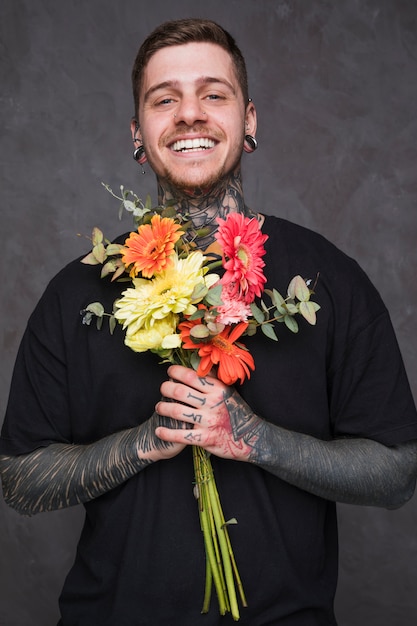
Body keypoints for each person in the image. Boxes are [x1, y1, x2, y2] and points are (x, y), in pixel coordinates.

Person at [1, 17, 417, 626]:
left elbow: (397, 472)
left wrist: (253, 440)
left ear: (249, 121)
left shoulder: (330, 281)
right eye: (164, 99)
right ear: (137, 134)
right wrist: (144, 443)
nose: (189, 114)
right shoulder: (77, 292)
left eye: (213, 94)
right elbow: (18, 478)